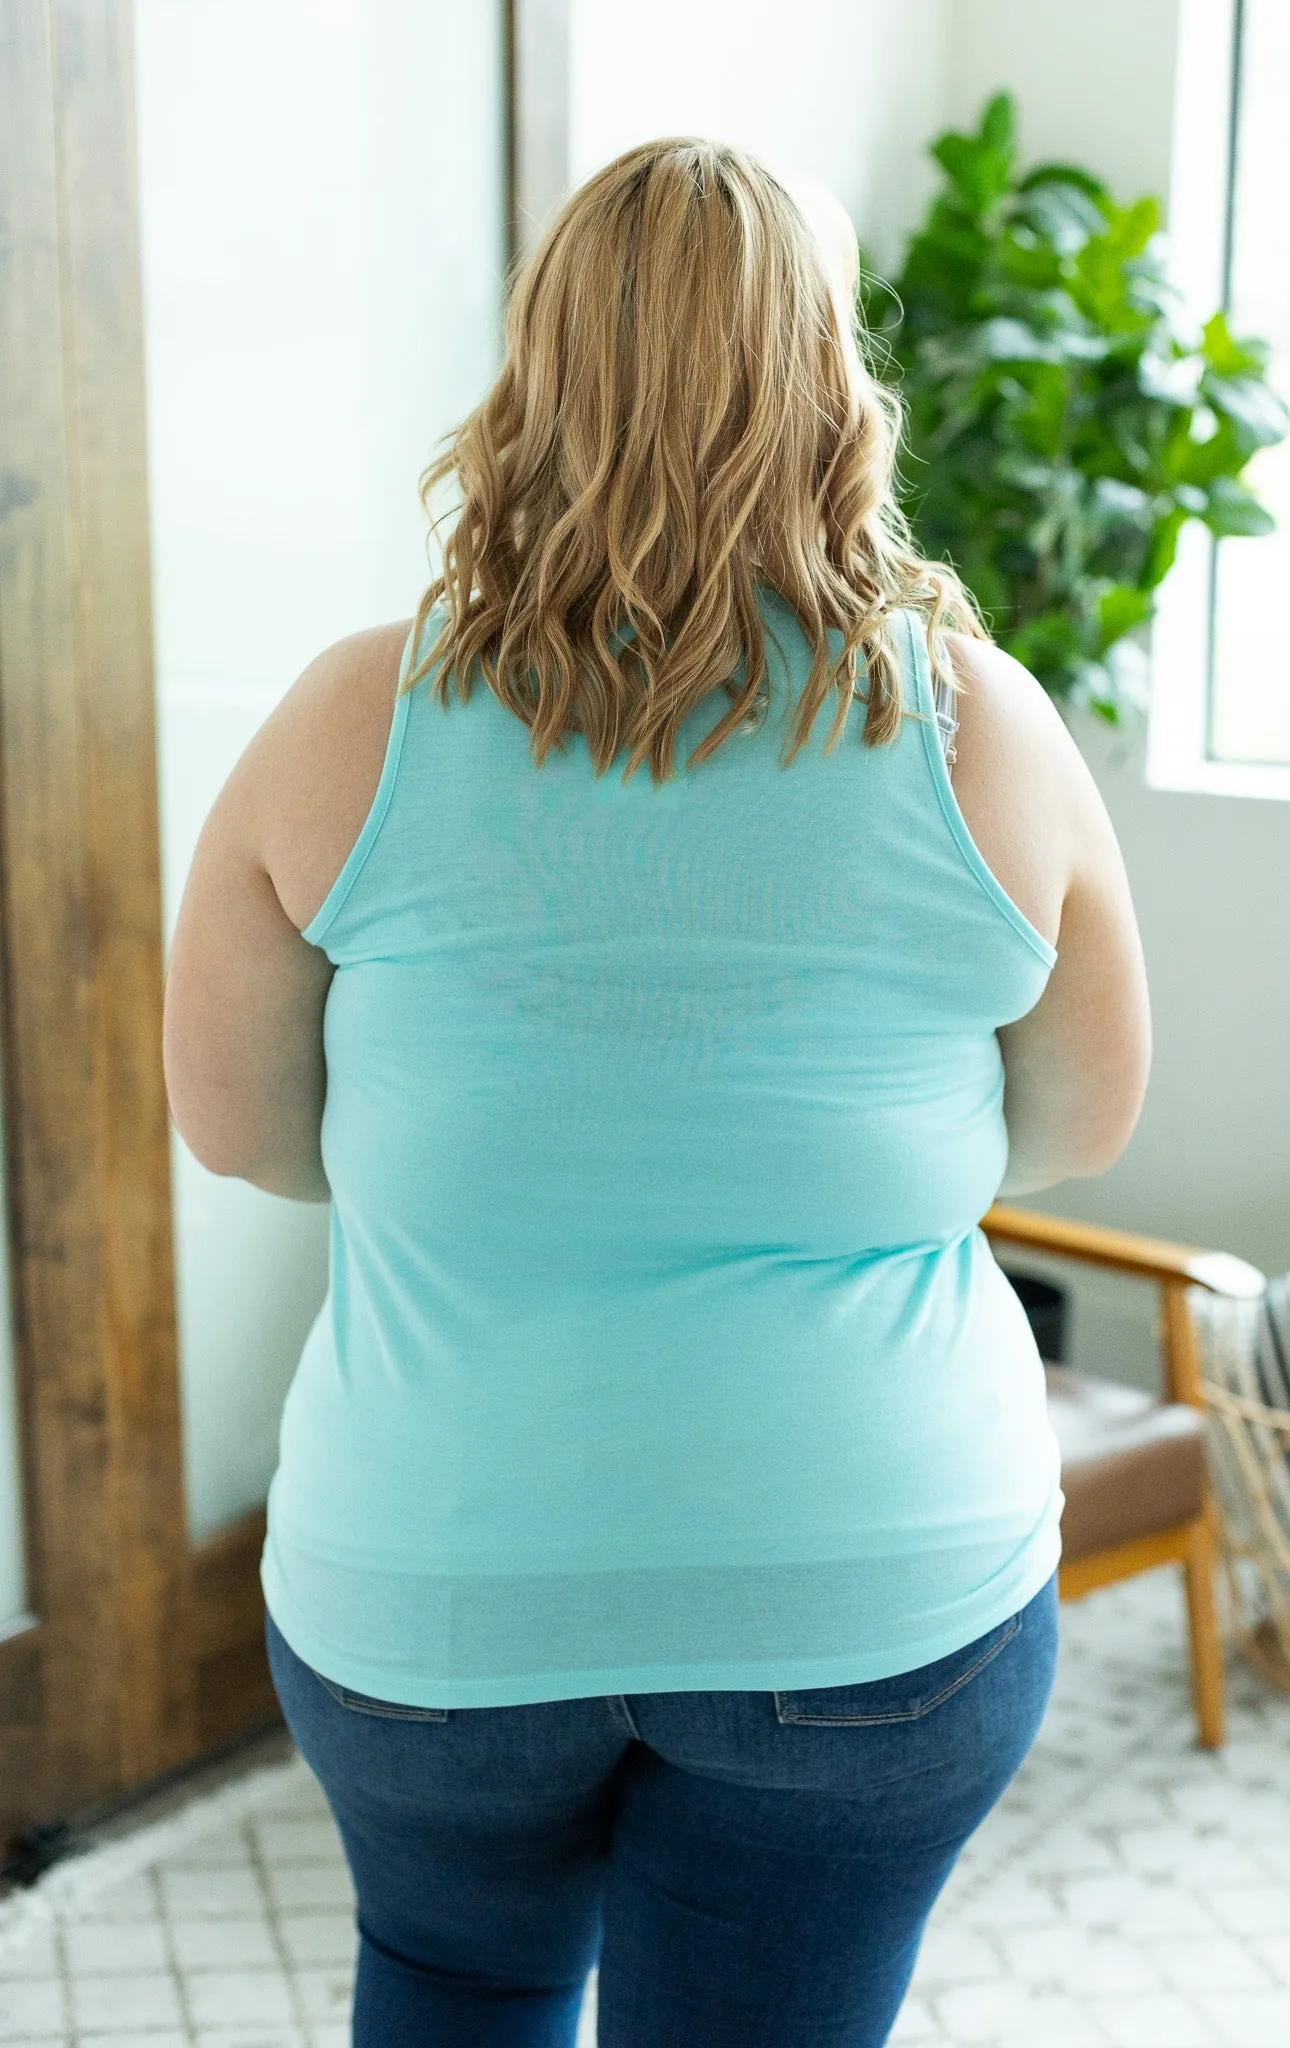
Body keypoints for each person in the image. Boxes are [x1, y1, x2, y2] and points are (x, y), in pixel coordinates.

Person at [163, 137, 1150, 2048]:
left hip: (434, 1594)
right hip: (874, 1601)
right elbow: (1078, 1124)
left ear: (535, 375)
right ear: (834, 382)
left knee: (456, 1983)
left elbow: (248, 1130)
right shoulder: (977, 725)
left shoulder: (345, 719)